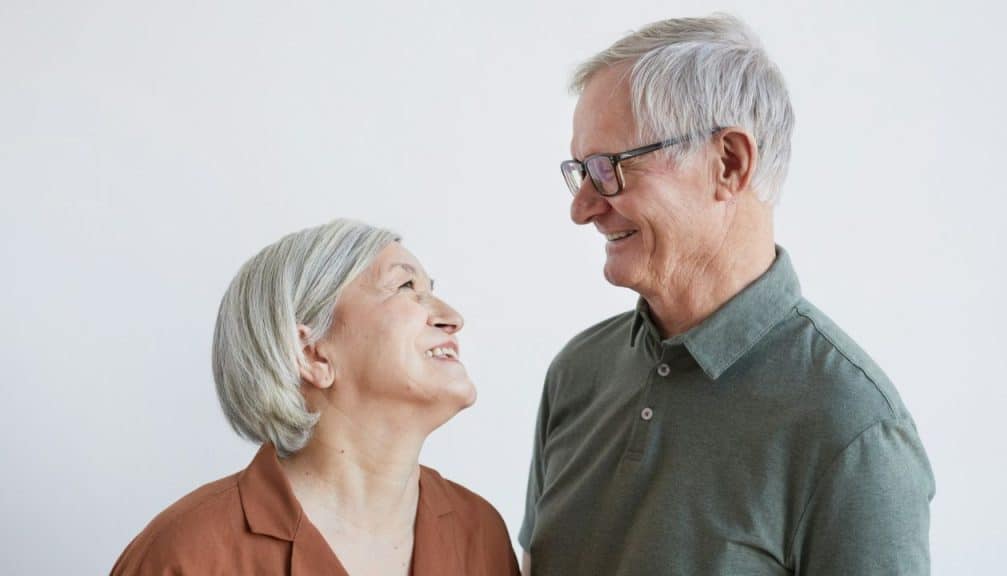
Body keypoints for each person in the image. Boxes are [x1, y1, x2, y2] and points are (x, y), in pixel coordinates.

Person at [520, 14, 934, 576]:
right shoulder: (578, 372)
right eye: (581, 170)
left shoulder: (852, 427)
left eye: (609, 167)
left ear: (729, 164)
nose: (582, 208)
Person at [112, 219, 520, 575]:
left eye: (430, 289)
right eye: (405, 286)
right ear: (311, 354)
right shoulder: (188, 555)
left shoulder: (479, 533)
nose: (452, 318)